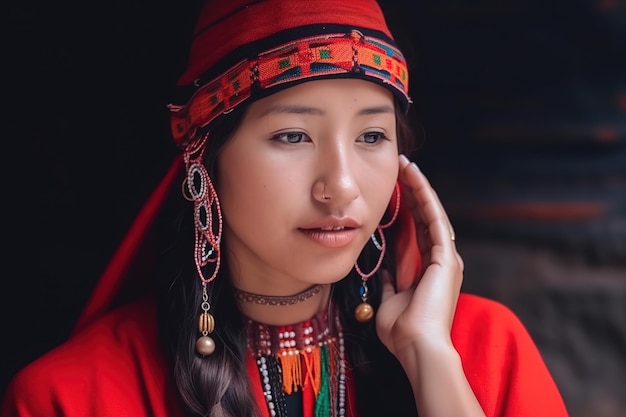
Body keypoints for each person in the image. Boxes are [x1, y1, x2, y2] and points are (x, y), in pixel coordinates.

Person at [1, 1, 570, 416]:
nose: (342, 186)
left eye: (372, 136)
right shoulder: (74, 395)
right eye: (294, 136)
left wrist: (432, 366)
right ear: (205, 159)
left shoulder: (482, 349)